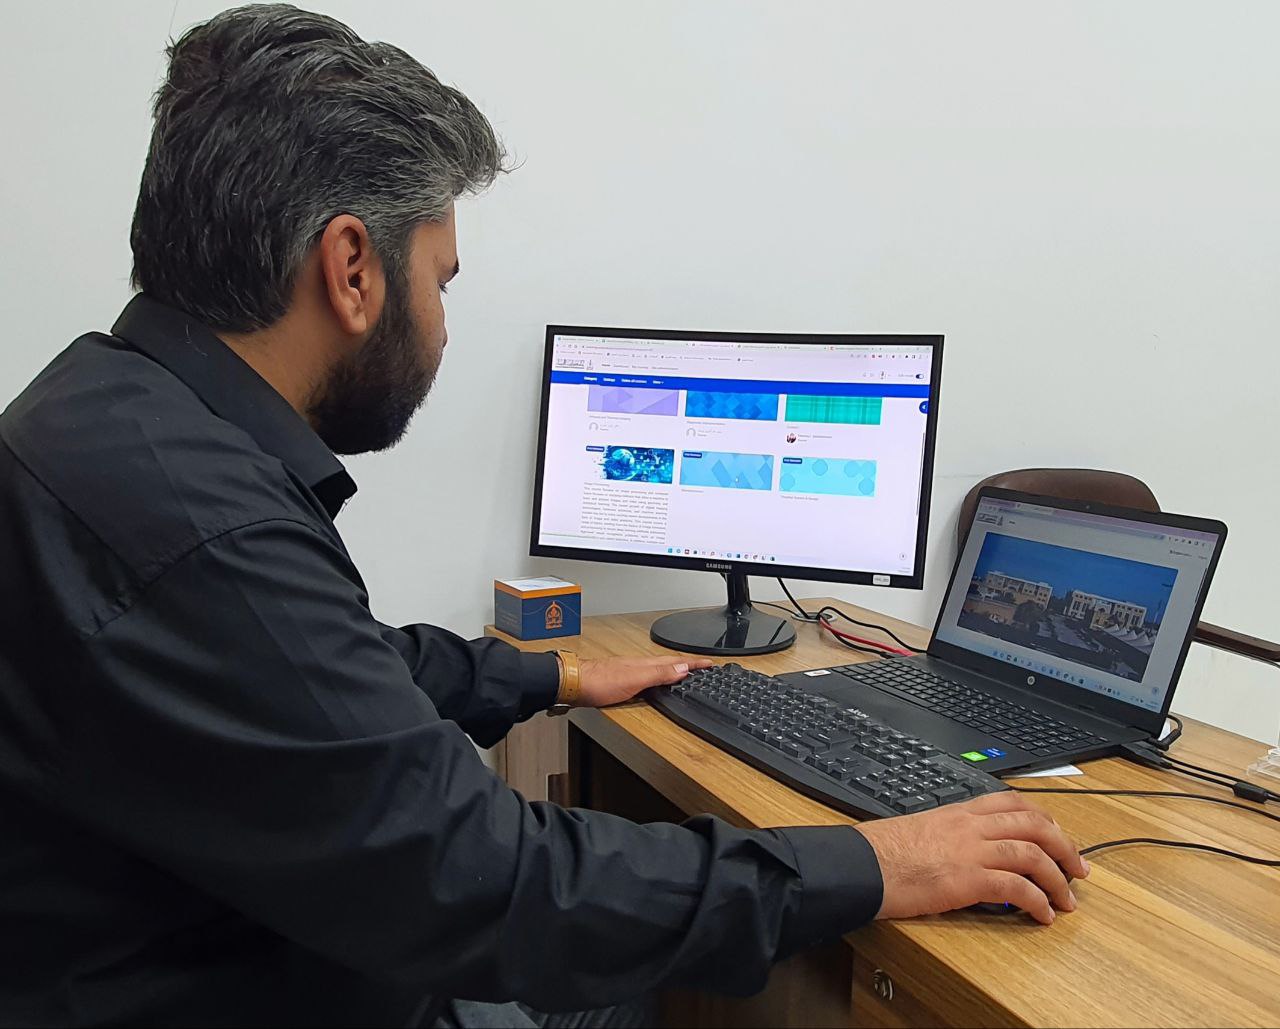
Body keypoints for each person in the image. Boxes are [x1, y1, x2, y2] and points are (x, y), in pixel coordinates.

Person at [0, 5, 1087, 1026]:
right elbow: (497, 885)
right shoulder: (203, 530)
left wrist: (544, 676)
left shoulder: (108, 422)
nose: (441, 324)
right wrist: (878, 863)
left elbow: (318, 674)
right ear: (350, 270)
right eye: (441, 279)